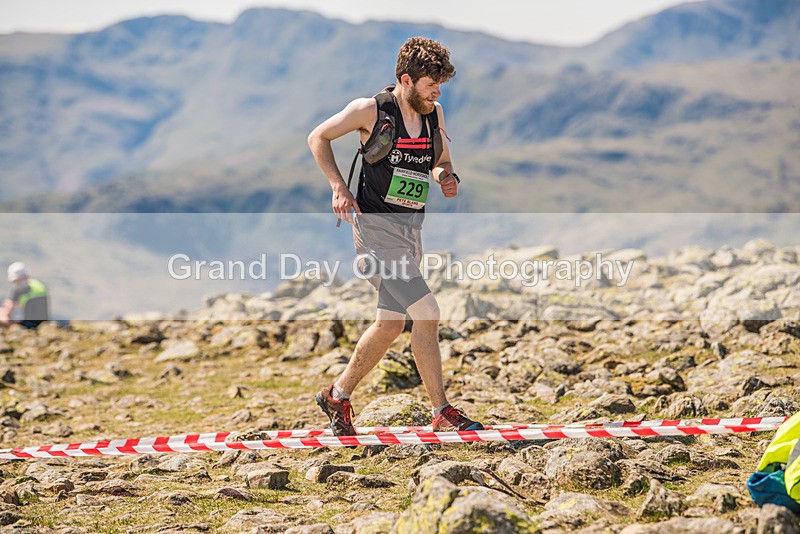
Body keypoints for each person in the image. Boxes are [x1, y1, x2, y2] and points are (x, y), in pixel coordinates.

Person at [307, 37, 483, 436]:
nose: (437, 92)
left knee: (389, 325)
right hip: (373, 230)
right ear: (406, 78)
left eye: (440, 86)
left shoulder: (433, 113)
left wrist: (447, 179)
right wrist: (338, 187)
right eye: (430, 85)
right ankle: (441, 410)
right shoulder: (370, 109)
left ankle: (337, 395)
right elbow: (317, 137)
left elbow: (441, 163)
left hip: (409, 232)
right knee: (428, 312)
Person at [0, 262, 49, 330]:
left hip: (27, 326)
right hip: (42, 324)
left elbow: (9, 313)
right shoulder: (38, 284)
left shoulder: (17, 291)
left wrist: (5, 310)